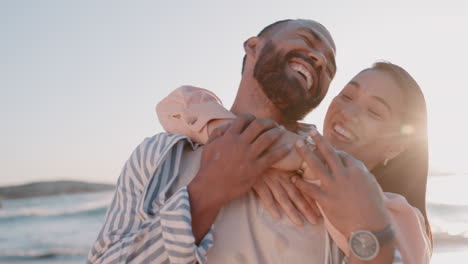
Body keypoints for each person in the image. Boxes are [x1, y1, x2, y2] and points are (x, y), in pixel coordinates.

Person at [88, 19, 404, 263]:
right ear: (253, 46)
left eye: (330, 66)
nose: (320, 59)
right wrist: (205, 193)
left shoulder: (337, 180)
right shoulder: (158, 154)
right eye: (306, 40)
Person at [156, 63, 432, 263]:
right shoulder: (284, 140)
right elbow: (178, 104)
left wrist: (296, 161)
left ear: (396, 146)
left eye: (374, 111)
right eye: (347, 96)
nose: (348, 112)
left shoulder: (396, 214)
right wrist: (252, 152)